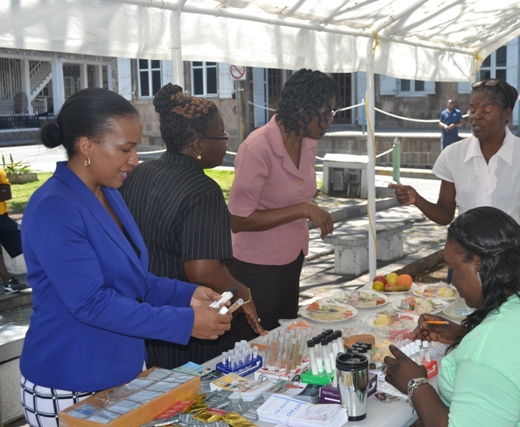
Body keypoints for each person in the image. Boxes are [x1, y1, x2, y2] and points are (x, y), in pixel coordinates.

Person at [19, 88, 232, 427]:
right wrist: (185, 322)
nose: (135, 159)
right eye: (126, 149)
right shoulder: (54, 207)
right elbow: (91, 303)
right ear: (87, 146)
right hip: (71, 381)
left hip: (121, 370)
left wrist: (186, 294)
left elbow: (133, 277)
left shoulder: (109, 193)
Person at [384, 206, 520, 427]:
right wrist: (464, 335)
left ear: (477, 264)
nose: (452, 282)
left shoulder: (488, 352)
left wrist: (416, 384)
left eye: (454, 269)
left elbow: (495, 359)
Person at [120, 83, 265, 369]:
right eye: (222, 136)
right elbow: (202, 269)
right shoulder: (203, 190)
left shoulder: (139, 173)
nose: (226, 142)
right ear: (198, 145)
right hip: (192, 322)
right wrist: (243, 292)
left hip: (148, 315)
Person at [389, 79, 520, 266]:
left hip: (510, 261)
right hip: (464, 261)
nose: (476, 116)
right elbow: (445, 214)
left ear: (506, 114)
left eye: (487, 111)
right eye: (472, 110)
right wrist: (416, 199)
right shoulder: (453, 154)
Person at [227, 69, 337, 335]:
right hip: (256, 269)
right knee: (258, 343)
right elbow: (238, 220)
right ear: (301, 109)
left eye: (332, 112)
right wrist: (303, 209)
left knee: (284, 337)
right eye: (324, 113)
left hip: (291, 260)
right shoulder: (257, 147)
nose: (329, 121)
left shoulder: (308, 144)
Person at [0, 169, 29, 293]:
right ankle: (8, 282)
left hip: (2, 217)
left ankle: (47, 273)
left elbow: (7, 194)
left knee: (24, 239)